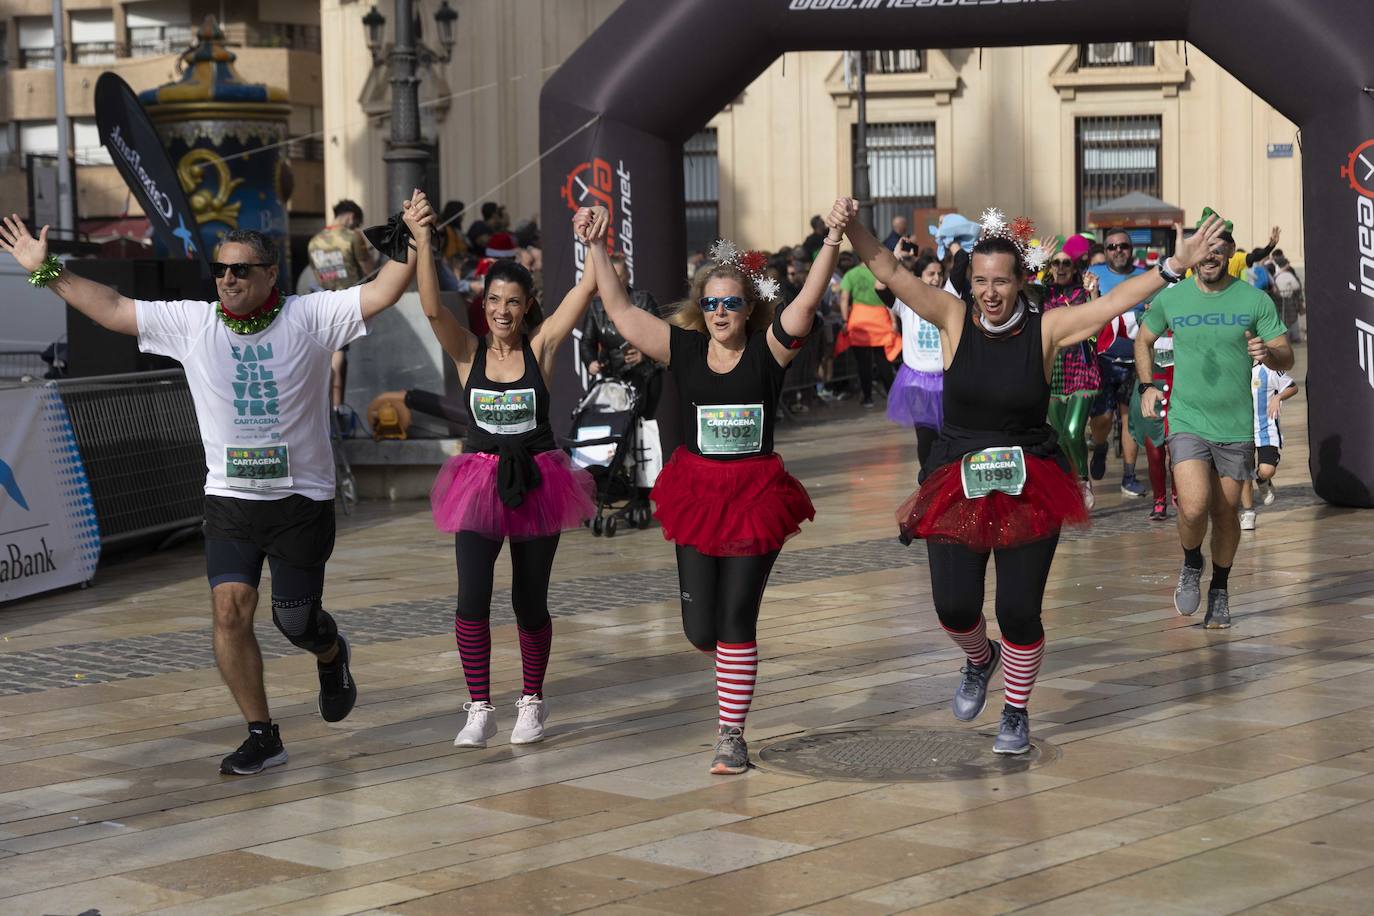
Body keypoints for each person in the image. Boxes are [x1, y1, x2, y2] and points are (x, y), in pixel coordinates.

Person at [0, 195, 429, 774]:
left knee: (296, 620)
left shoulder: (309, 316)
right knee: (229, 612)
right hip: (229, 498)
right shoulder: (194, 323)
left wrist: (413, 236)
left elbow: (382, 291)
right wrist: (46, 269)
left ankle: (331, 653)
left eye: (240, 270)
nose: (227, 279)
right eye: (220, 269)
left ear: (270, 274)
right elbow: (113, 308)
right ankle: (262, 733)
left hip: (301, 499)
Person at [845, 202, 1226, 754]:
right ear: (969, 282)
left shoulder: (1046, 328)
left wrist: (1175, 264)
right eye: (981, 281)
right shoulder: (952, 318)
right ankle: (980, 659)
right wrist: (848, 225)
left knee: (1017, 610)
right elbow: (889, 271)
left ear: (1022, 281)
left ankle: (1016, 711)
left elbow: (1116, 302)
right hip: (958, 475)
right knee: (954, 606)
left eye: (1002, 281)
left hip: (1029, 478)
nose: (991, 292)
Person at [582, 201, 847, 776]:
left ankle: (731, 736)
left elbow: (804, 305)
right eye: (712, 303)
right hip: (698, 494)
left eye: (732, 303)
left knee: (735, 621)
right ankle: (734, 664)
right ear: (700, 309)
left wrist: (832, 239)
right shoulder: (683, 349)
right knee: (701, 629)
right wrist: (596, 247)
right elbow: (623, 312)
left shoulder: (767, 352)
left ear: (748, 308)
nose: (722, 311)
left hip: (755, 496)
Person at [415, 205, 600, 749]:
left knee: (529, 601)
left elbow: (585, 291)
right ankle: (478, 708)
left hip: (538, 483)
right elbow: (430, 308)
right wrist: (424, 239)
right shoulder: (467, 353)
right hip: (477, 483)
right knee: (471, 598)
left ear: (526, 308)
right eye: (493, 299)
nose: (501, 309)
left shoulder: (540, 347)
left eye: (512, 301)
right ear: (483, 304)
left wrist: (593, 239)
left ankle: (531, 703)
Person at [1137, 215, 1294, 630]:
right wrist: (1146, 385)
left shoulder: (1253, 300)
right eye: (1204, 246)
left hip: (1236, 426)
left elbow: (1286, 356)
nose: (1211, 254)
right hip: (1187, 420)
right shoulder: (1173, 298)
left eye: (1220, 246)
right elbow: (1143, 339)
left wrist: (1268, 354)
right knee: (1192, 506)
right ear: (1194, 254)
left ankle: (1219, 589)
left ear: (1230, 253)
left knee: (1226, 514)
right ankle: (1192, 562)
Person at [1086, 228, 1150, 498]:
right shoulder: (1094, 274)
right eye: (1111, 247)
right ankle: (1100, 446)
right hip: (1103, 360)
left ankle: (1129, 475)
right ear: (1106, 250)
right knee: (1102, 418)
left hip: (1135, 360)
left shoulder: (1145, 277)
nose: (1118, 250)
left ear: (1131, 248)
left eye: (1123, 245)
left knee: (1130, 420)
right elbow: (1085, 312)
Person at [1041, 251, 1101, 506]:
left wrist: (1094, 293)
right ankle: (1070, 484)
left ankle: (1083, 482)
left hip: (1082, 368)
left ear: (1074, 267)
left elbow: (1099, 316)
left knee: (1074, 430)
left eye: (1067, 263)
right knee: (1060, 436)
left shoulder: (1083, 292)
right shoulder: (1043, 294)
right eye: (1056, 263)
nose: (1061, 267)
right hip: (1054, 370)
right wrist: (1039, 260)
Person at [308, 200, 378, 409]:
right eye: (355, 222)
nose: (355, 226)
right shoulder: (352, 237)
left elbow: (316, 273)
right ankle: (338, 406)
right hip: (350, 300)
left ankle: (327, 404)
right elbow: (369, 270)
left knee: (329, 350)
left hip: (322, 300)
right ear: (350, 217)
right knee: (339, 352)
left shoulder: (314, 241)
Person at [878, 253, 946, 473]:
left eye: (939, 274)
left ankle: (946, 482)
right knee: (925, 436)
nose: (935, 278)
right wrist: (894, 258)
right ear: (918, 276)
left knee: (947, 437)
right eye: (930, 274)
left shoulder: (949, 301)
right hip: (917, 381)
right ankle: (927, 480)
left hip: (946, 380)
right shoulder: (906, 304)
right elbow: (880, 286)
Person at [581, 251, 661, 383]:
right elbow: (587, 342)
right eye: (609, 277)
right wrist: (591, 362)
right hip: (611, 376)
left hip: (644, 375)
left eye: (618, 276)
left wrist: (644, 355)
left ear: (627, 277)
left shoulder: (644, 301)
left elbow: (659, 337)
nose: (613, 281)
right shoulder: (595, 307)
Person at [1240, 362, 1298, 530]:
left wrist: (1278, 397)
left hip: (1266, 429)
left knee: (1267, 469)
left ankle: (1262, 478)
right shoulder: (1236, 365)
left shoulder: (1270, 368)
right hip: (1242, 429)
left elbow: (1292, 387)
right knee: (1244, 473)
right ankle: (1248, 512)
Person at [1127, 332, 1177, 521]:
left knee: (1178, 452)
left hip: (1178, 395)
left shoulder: (1185, 318)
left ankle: (1180, 493)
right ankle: (1159, 500)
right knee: (1154, 453)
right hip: (1152, 395)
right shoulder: (1147, 324)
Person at [839, 255, 899, 408]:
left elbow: (844, 298)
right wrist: (893, 321)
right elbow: (888, 299)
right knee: (883, 361)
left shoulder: (850, 274)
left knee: (862, 363)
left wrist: (845, 320)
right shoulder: (879, 274)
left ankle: (867, 398)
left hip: (859, 320)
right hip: (880, 319)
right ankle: (892, 396)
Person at [1269, 251, 1304, 343]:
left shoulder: (1275, 275)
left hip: (1278, 301)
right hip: (1288, 300)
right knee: (1292, 319)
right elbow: (1296, 286)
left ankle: (1284, 337)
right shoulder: (1288, 275)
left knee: (1282, 319)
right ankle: (1294, 337)